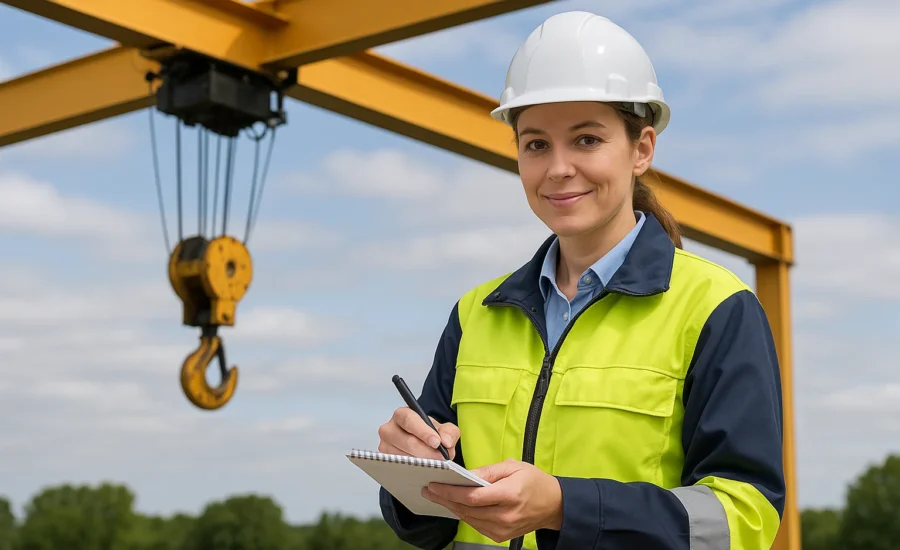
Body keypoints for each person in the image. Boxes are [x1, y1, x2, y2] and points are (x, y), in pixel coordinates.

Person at [376, 10, 785, 550]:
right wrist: (410, 473)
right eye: (536, 144)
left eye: (587, 140)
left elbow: (743, 518)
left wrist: (565, 508)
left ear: (641, 149)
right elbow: (431, 524)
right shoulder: (476, 313)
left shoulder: (716, 308)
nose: (558, 168)